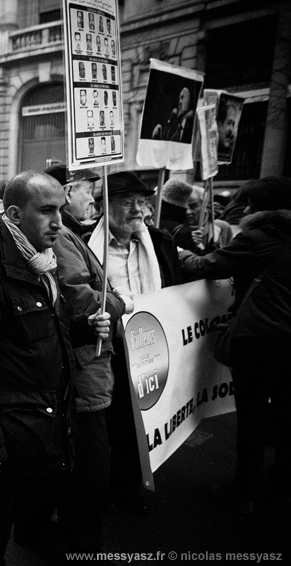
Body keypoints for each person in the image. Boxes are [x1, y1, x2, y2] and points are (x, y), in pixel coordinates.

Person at [0, 171, 110, 565]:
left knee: (22, 510)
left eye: (60, 209)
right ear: (15, 215)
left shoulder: (43, 259)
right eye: (46, 211)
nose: (58, 221)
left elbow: (39, 333)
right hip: (7, 431)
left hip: (45, 420)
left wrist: (84, 327)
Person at [178, 176, 291, 514]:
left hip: (259, 342)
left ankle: (242, 492)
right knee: (286, 418)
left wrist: (180, 251)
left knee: (253, 421)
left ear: (261, 207)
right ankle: (279, 487)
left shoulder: (258, 236)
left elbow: (206, 266)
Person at [85, 171, 183, 514]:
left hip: (151, 344)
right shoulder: (85, 246)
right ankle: (107, 487)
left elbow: (176, 284)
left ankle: (129, 486)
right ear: (104, 206)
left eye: (142, 202)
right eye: (128, 202)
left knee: (142, 419)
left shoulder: (161, 243)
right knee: (112, 424)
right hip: (108, 350)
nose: (138, 210)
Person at [46, 164, 128, 554]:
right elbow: (80, 295)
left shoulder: (68, 233)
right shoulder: (60, 236)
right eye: (86, 190)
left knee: (75, 453)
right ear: (65, 192)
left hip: (84, 358)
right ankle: (84, 545)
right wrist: (118, 301)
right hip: (83, 361)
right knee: (91, 460)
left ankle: (41, 526)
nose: (93, 198)